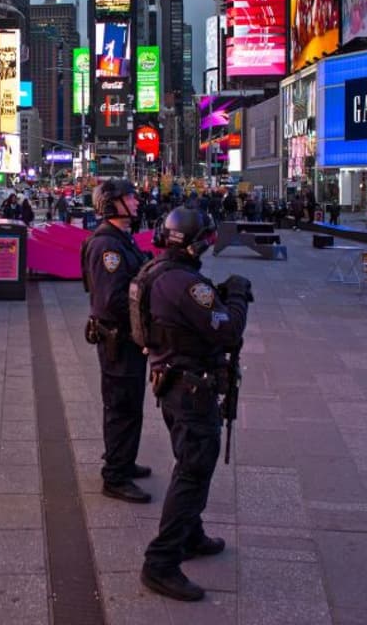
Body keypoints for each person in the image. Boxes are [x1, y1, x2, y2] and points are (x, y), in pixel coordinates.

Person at [133, 207, 251, 601]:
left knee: (189, 461)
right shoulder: (186, 284)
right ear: (197, 243)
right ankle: (161, 561)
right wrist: (237, 296)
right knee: (193, 472)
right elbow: (228, 331)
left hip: (170, 380)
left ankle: (190, 534)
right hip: (191, 389)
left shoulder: (156, 271)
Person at [82, 179, 153, 504]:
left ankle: (124, 459)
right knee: (121, 406)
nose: (136, 202)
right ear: (112, 204)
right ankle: (115, 476)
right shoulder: (107, 247)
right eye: (130, 197)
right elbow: (113, 301)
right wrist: (148, 316)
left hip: (128, 339)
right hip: (118, 339)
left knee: (130, 404)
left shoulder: (122, 238)